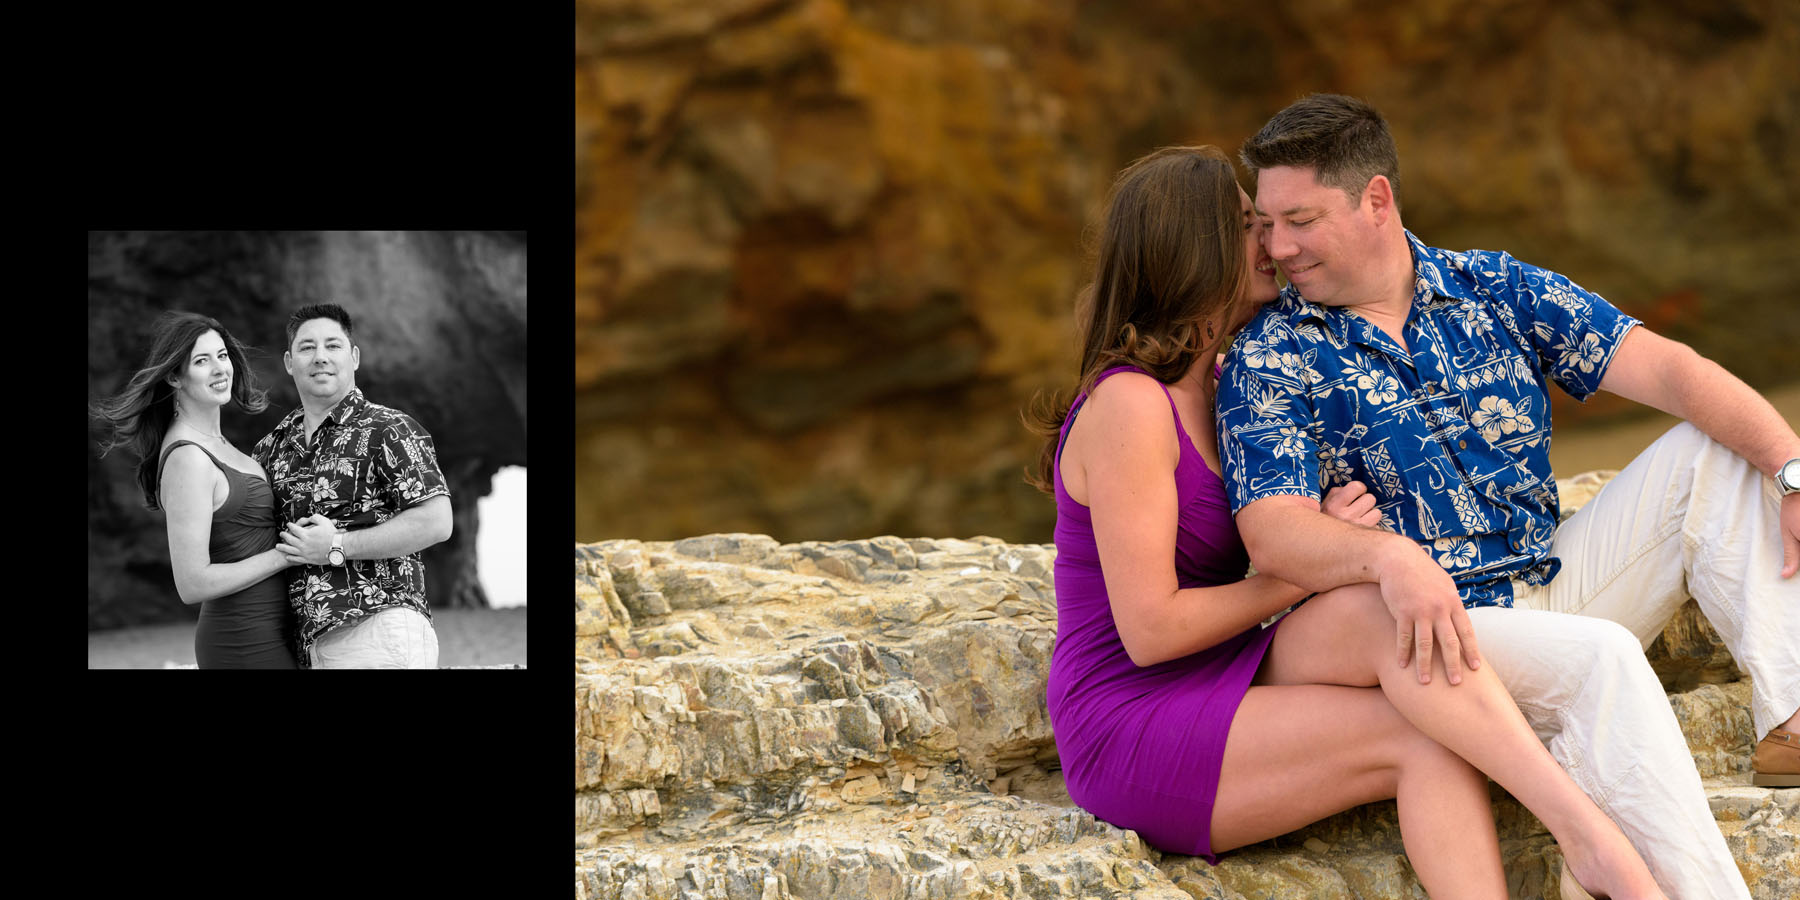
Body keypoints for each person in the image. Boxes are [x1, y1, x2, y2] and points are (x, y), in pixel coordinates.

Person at [1026, 145, 1665, 900]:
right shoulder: (1132, 404)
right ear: (1193, 248)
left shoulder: (1231, 382)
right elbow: (1151, 631)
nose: (1271, 241)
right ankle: (1588, 835)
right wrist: (1298, 571)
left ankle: (1586, 840)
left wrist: (1349, 546)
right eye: (1244, 224)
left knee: (1379, 611)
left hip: (1226, 670)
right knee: (1416, 723)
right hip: (1131, 718)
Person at [1219, 93, 1799, 899]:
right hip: (1437, 645)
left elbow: (1668, 369)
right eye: (1269, 225)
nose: (1277, 247)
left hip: (1554, 582)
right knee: (1604, 658)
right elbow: (1270, 532)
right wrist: (1385, 559)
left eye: (1301, 221)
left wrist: (1790, 468)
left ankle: (1792, 722)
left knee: (1718, 451)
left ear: (1375, 199)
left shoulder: (1492, 285)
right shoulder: (1269, 354)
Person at [90, 311, 305, 669]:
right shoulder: (187, 458)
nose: (220, 368)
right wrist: (285, 556)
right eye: (202, 361)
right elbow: (191, 583)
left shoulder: (221, 444)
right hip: (242, 642)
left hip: (275, 634)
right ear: (174, 376)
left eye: (222, 356)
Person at [253, 304, 453, 669]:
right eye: (307, 347)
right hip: (306, 643)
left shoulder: (388, 428)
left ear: (354, 356)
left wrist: (335, 545)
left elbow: (436, 522)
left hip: (380, 626)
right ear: (288, 361)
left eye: (333, 345)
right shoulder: (271, 449)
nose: (320, 358)